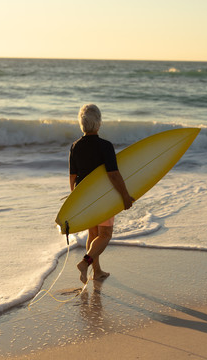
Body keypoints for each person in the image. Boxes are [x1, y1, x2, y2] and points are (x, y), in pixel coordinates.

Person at [69, 104, 134, 284]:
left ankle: (96, 272)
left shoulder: (75, 146)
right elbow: (113, 174)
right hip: (102, 197)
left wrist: (75, 200)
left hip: (84, 197)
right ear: (98, 123)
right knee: (105, 235)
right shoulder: (105, 146)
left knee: (93, 234)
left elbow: (73, 177)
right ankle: (85, 263)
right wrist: (125, 196)